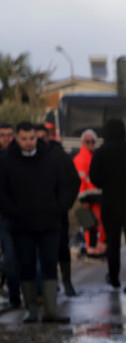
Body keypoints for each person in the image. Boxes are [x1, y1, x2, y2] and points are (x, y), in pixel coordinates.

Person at [0, 121, 75, 322]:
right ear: (17, 138)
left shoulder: (50, 159)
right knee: (26, 264)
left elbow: (63, 186)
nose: (28, 143)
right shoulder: (7, 162)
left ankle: (51, 310)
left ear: (37, 137)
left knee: (49, 264)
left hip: (49, 223)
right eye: (24, 139)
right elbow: (2, 193)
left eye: (32, 138)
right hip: (21, 224)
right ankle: (31, 309)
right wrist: (13, 212)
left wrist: (60, 207)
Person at [89, 118, 126, 295]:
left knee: (112, 243)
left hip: (110, 204)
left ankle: (114, 278)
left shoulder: (101, 153)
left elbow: (94, 178)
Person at [41, 124, 82, 296]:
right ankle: (48, 284)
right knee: (42, 250)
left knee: (62, 248)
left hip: (57, 212)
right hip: (34, 213)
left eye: (43, 137)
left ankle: (66, 281)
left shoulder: (60, 156)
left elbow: (74, 180)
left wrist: (65, 204)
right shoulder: (28, 157)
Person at [73, 129, 105, 257]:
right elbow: (80, 181)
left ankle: (96, 246)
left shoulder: (94, 156)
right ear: (82, 142)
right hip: (88, 196)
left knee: (97, 222)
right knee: (89, 223)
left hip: (97, 195)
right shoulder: (80, 159)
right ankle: (90, 247)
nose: (91, 144)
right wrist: (83, 199)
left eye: (93, 141)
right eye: (87, 142)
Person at [0, 122, 21, 309]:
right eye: (2, 135)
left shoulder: (17, 157)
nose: (6, 138)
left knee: (11, 257)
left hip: (11, 215)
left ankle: (15, 295)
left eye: (8, 134)